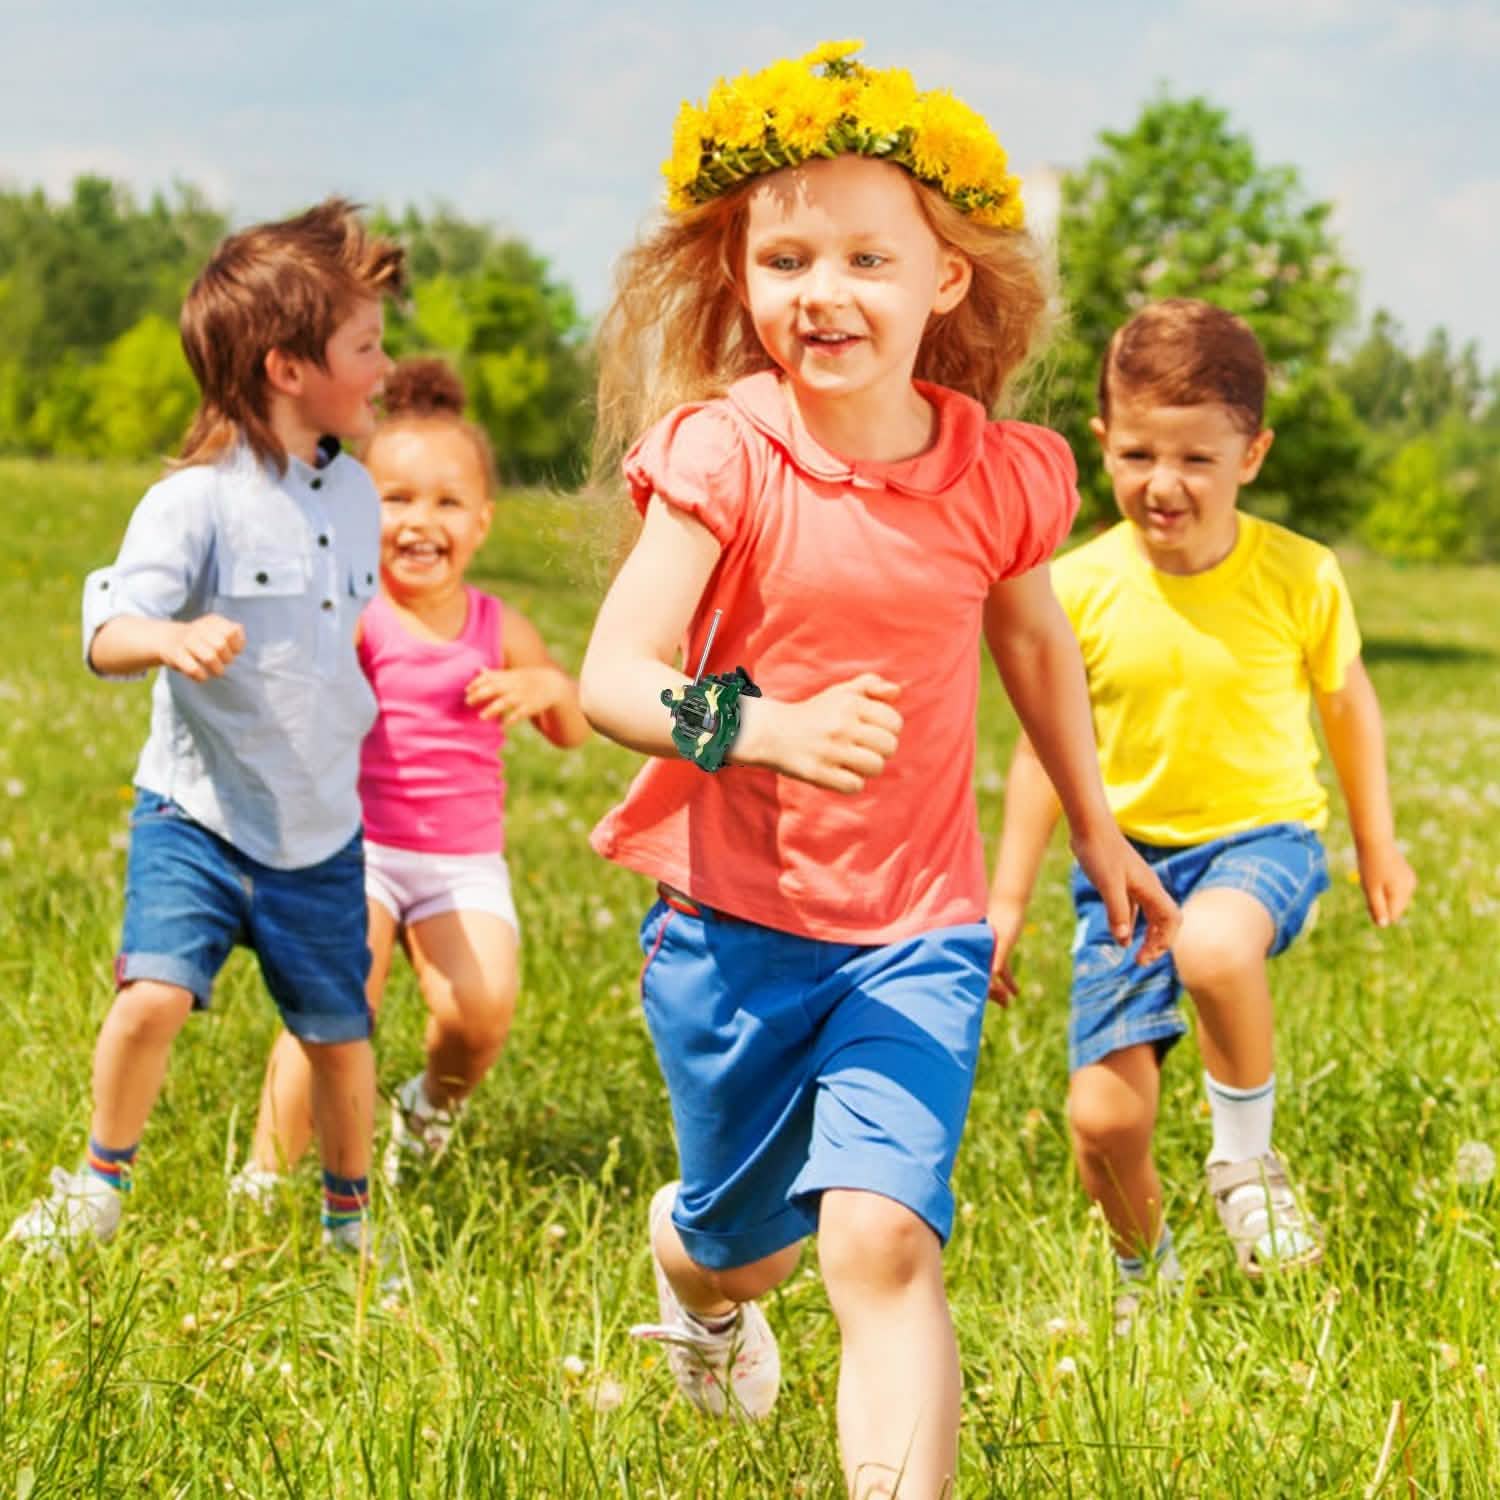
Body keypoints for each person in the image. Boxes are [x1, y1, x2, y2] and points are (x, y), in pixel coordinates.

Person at [578, 41, 1178, 1499]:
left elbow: (1034, 648)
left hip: (917, 930)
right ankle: (696, 1278)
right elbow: (612, 677)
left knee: (880, 1239)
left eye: (864, 254)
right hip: (731, 931)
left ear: (946, 280)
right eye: (785, 259)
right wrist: (765, 727)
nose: (822, 291)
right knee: (749, 1243)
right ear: (739, 275)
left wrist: (1097, 830)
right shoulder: (727, 457)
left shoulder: (1000, 471)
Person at [987, 299, 1416, 1320]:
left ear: (1252, 454)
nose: (1163, 484)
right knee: (1103, 1125)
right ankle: (1150, 1283)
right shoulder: (1078, 587)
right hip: (1124, 867)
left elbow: (1347, 706)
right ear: (1101, 442)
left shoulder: (1299, 574)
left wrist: (1376, 839)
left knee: (1216, 952)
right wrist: (1005, 898)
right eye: (1137, 453)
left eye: (1197, 460)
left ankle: (1245, 1164)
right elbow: (1046, 753)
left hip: (1261, 838)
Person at [7, 200, 405, 1254]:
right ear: (287, 368)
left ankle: (348, 1220)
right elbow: (104, 623)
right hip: (199, 811)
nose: (384, 365)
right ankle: (98, 1183)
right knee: (152, 998)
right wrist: (168, 642)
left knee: (339, 1033)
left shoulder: (359, 495)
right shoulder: (195, 502)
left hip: (320, 827)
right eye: (365, 346)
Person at [235, 358, 589, 1196]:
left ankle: (428, 1107)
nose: (419, 521)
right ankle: (265, 1178)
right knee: (333, 1003)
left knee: (481, 1009)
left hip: (461, 862)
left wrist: (549, 688)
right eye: (394, 498)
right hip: (354, 850)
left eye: (446, 501)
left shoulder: (503, 627)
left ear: (483, 521)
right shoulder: (358, 615)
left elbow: (573, 729)